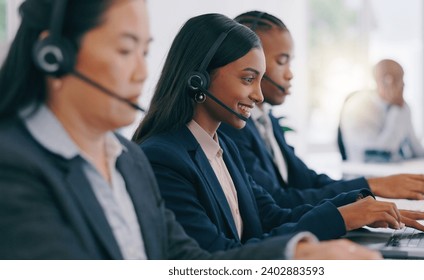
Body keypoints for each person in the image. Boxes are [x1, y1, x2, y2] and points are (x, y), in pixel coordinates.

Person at [0, 0, 381, 260]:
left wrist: (298, 255)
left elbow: (189, 261)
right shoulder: (14, 168)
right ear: (53, 55)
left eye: (144, 52)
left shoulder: (126, 160)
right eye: (124, 50)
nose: (141, 72)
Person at [133, 13, 424, 253]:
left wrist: (360, 204)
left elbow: (271, 215)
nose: (258, 95)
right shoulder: (164, 158)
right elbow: (215, 258)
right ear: (198, 79)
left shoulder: (221, 146)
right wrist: (342, 218)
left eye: (260, 80)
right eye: (248, 79)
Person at [219, 11, 424, 209]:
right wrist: (370, 188)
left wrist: (371, 187)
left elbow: (307, 180)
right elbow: (276, 202)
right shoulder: (232, 127)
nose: (290, 74)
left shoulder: (268, 122)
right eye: (281, 62)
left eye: (291, 62)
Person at [339, 59, 424, 163]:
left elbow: (416, 149)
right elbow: (383, 151)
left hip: (394, 173)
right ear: (386, 80)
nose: (404, 84)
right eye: (399, 79)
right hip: (363, 178)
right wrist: (396, 111)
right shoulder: (358, 108)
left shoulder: (403, 107)